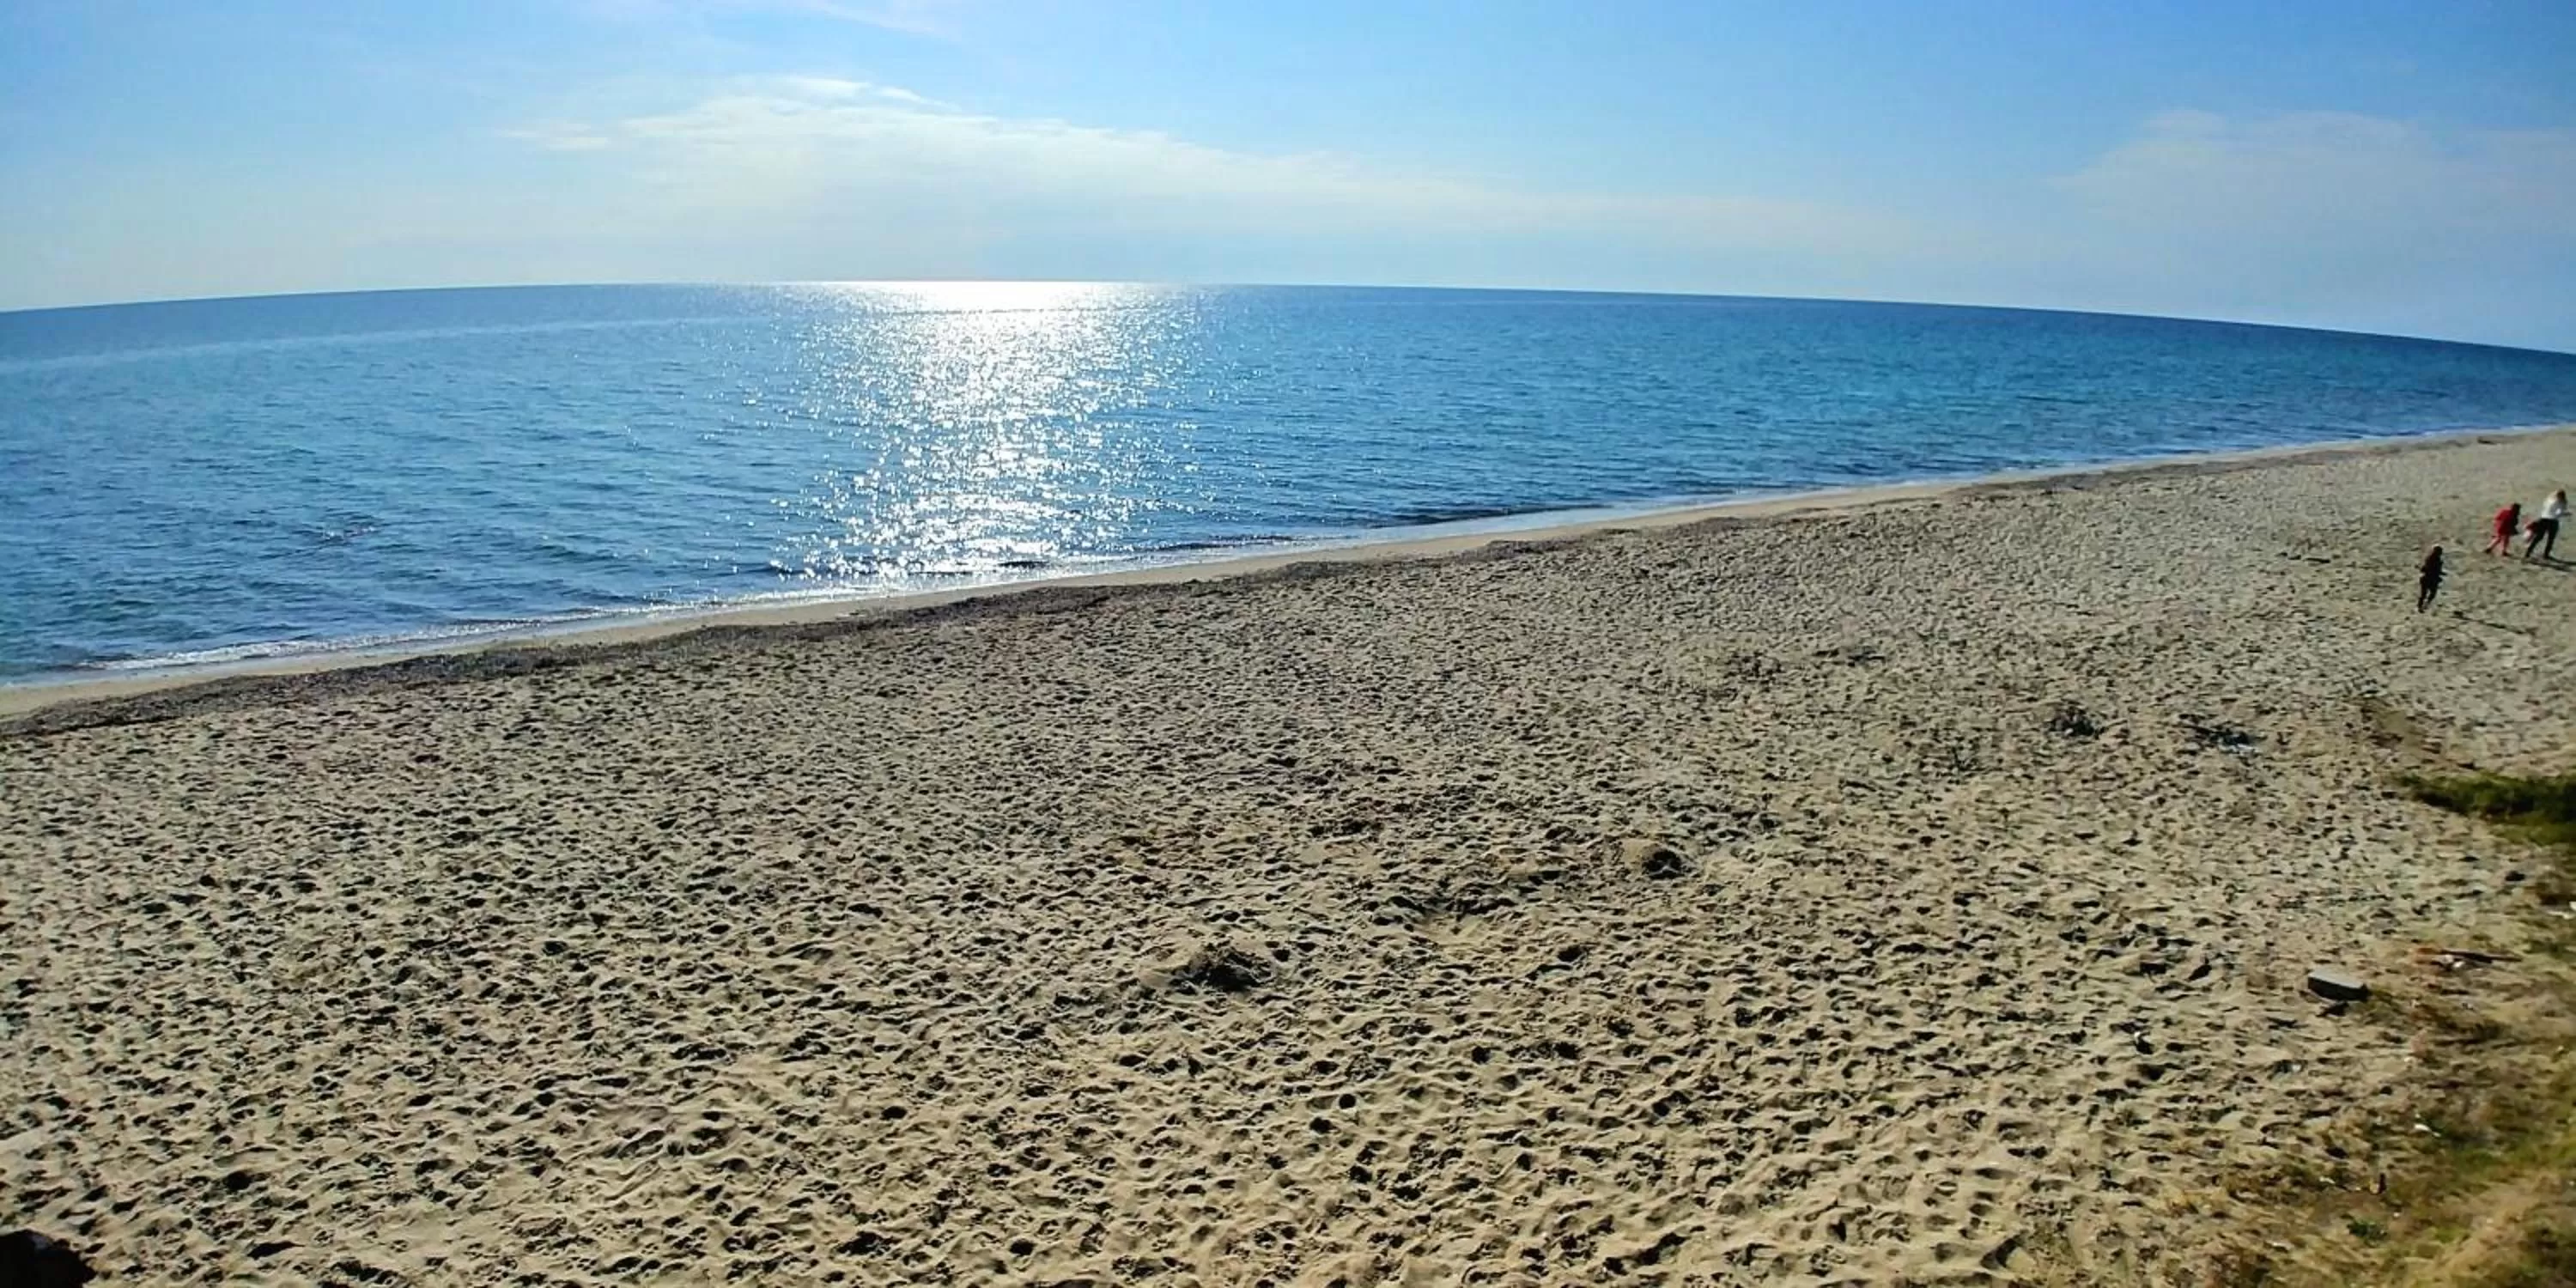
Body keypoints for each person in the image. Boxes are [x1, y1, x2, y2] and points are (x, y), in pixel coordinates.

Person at [2528, 489, 2568, 562]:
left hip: (2543, 519)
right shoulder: (2562, 502)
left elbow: (2545, 508)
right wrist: (2565, 514)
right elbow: (2558, 513)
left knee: (2538, 537)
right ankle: (2546, 554)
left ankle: (2529, 551)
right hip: (2553, 521)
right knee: (2550, 539)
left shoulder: (2549, 499)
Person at [2419, 545, 2445, 612]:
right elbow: (2435, 570)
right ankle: (2424, 605)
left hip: (2426, 578)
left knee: (2424, 594)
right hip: (2432, 579)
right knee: (2432, 594)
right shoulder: (2437, 560)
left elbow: (2424, 568)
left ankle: (2421, 606)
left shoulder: (2429, 558)